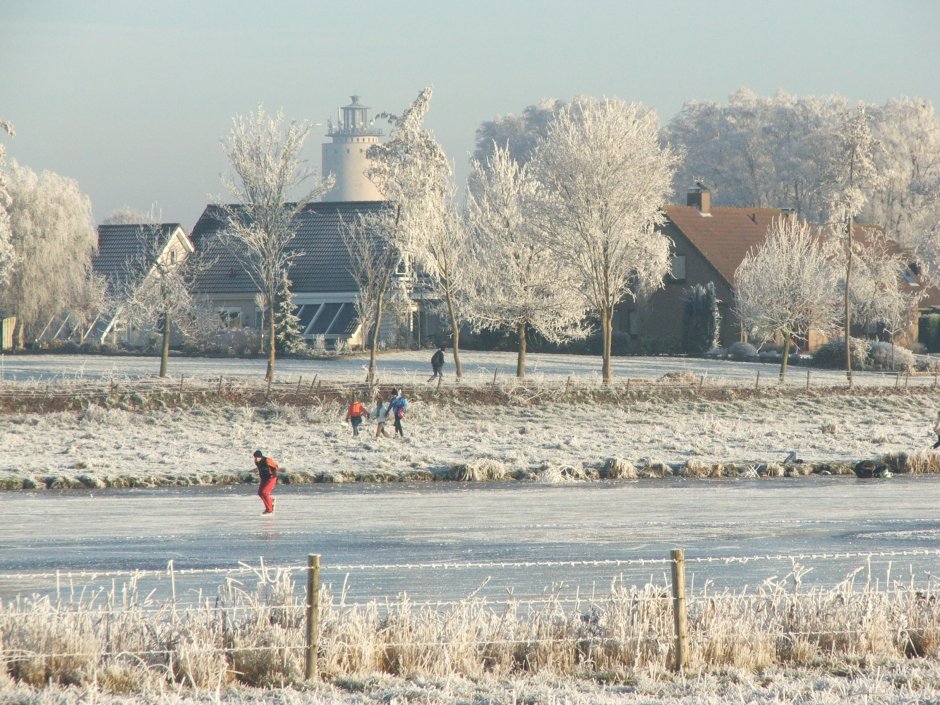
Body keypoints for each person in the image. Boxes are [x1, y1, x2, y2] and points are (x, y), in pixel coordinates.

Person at [253, 449, 278, 515]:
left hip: (271, 478)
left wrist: (274, 475)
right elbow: (261, 469)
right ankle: (270, 501)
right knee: (260, 493)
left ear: (260, 457)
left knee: (265, 492)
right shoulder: (256, 462)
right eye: (254, 457)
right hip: (264, 479)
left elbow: (275, 467)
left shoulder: (267, 460)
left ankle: (269, 510)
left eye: (257, 457)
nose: (255, 459)